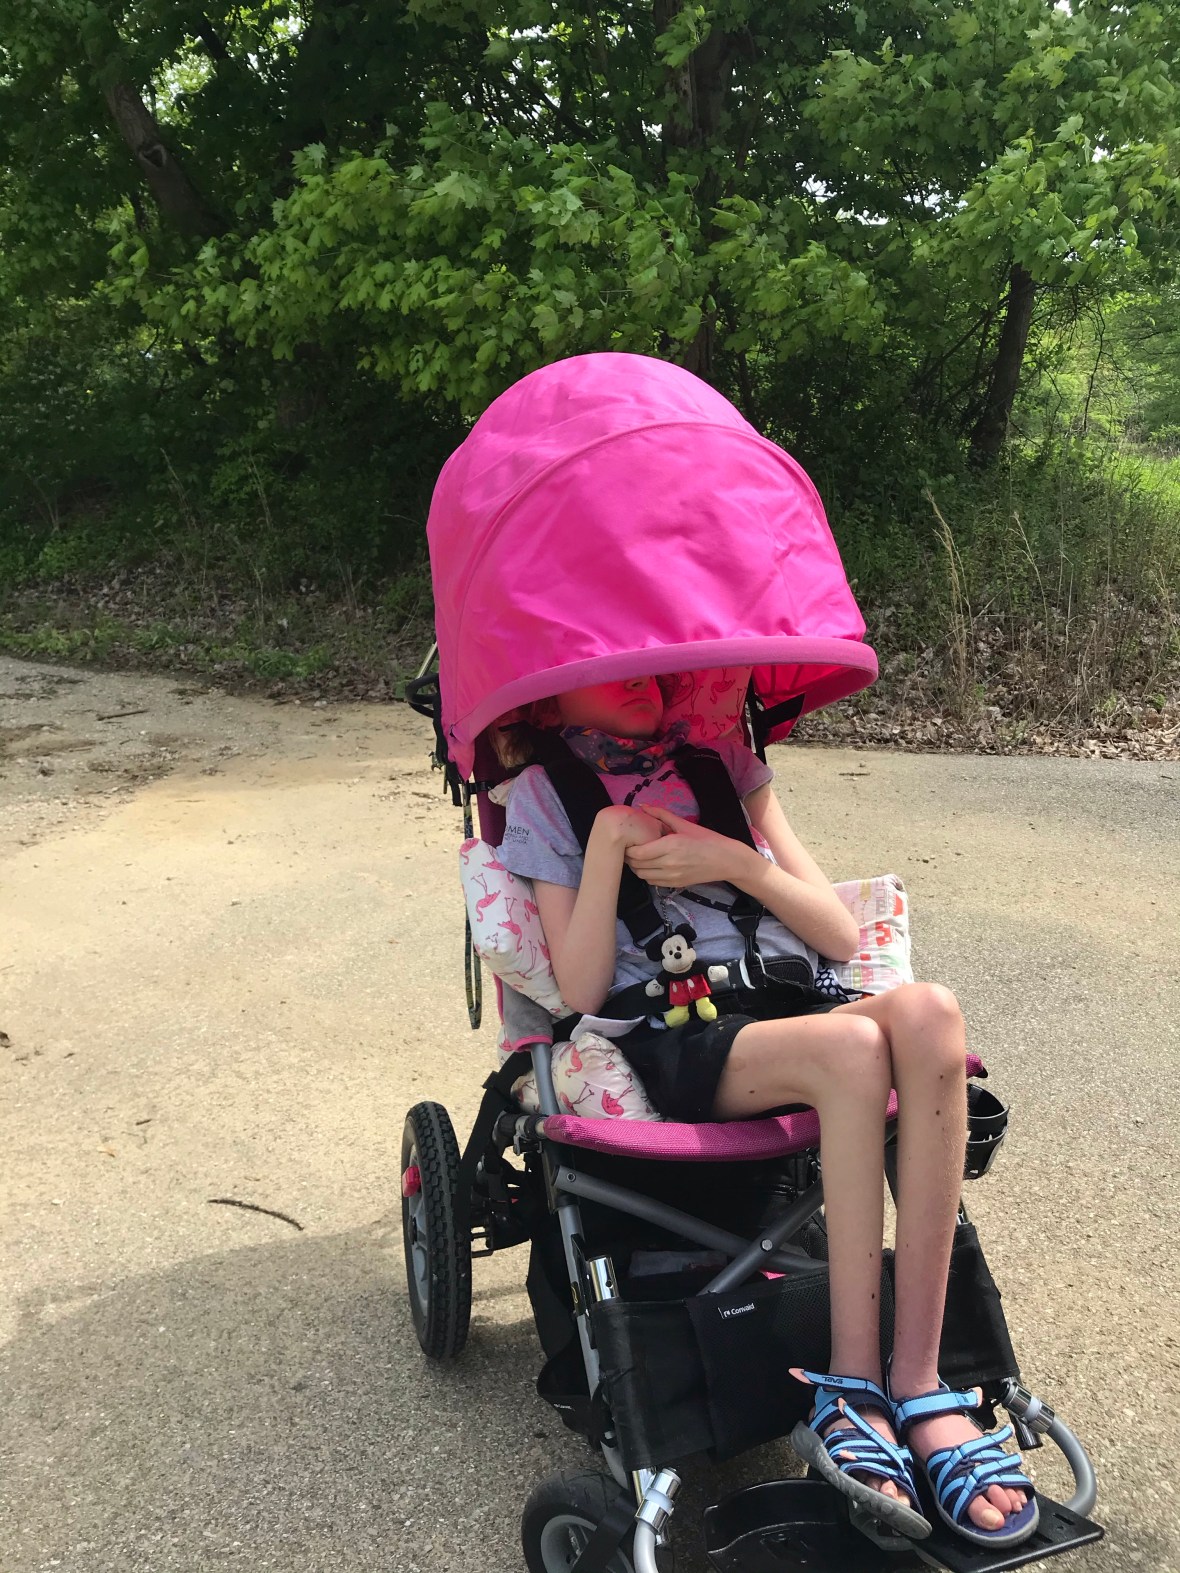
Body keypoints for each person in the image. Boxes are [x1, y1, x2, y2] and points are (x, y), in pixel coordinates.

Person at [495, 673, 1037, 1548]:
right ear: (554, 688)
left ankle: (921, 1382)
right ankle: (851, 1390)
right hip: (679, 1033)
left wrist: (737, 860)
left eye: (654, 658)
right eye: (610, 662)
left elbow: (838, 934)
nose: (640, 676)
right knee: (852, 1047)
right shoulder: (545, 793)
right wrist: (606, 843)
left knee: (932, 1013)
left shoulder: (723, 766)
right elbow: (583, 986)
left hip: (790, 1005)